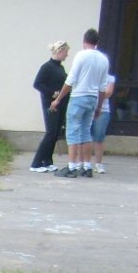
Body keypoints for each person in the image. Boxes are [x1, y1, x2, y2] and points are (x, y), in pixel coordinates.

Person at [50, 29, 110, 179]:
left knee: (72, 131)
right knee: (85, 131)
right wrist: (99, 106)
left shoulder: (81, 56)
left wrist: (58, 99)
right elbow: (103, 87)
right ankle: (87, 166)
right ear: (97, 42)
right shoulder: (103, 59)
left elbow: (71, 80)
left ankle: (72, 166)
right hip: (93, 98)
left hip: (78, 96)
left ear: (84, 41)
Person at [29, 41, 70, 173]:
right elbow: (37, 84)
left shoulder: (60, 68)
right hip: (50, 104)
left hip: (61, 103)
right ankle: (36, 163)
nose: (67, 55)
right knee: (51, 132)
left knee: (56, 132)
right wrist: (52, 93)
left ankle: (47, 161)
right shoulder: (47, 67)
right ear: (59, 51)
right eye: (66, 52)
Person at [91, 74, 116, 173]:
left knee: (99, 137)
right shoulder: (90, 75)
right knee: (84, 137)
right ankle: (83, 163)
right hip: (88, 109)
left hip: (103, 110)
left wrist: (92, 93)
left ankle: (98, 164)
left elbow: (108, 93)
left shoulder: (110, 78)